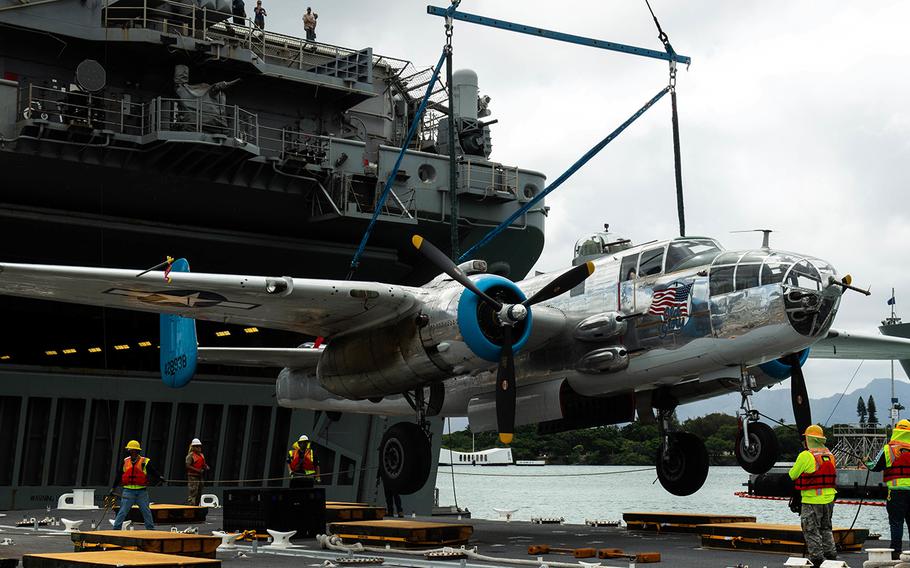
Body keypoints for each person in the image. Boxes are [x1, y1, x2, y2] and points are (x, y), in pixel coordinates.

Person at [789, 424, 837, 567]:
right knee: (826, 529)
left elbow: (793, 475)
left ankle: (817, 561)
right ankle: (831, 558)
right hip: (829, 500)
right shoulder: (830, 455)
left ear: (808, 439)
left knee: (811, 530)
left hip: (811, 500)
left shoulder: (806, 455)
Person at [866, 419, 910, 559]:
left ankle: (896, 551)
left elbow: (874, 466)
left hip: (896, 492)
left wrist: (866, 461)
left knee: (896, 522)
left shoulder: (889, 449)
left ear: (896, 431)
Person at [111, 440, 161, 530]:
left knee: (146, 511)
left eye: (134, 450)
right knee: (123, 511)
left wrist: (160, 477)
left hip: (142, 492)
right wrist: (113, 487)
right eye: (130, 450)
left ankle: (150, 530)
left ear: (137, 451)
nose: (132, 452)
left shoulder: (145, 461)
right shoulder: (125, 462)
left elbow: (153, 471)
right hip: (128, 491)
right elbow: (119, 475)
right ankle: (116, 529)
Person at [185, 438, 209, 506]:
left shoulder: (201, 455)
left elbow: (203, 464)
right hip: (192, 477)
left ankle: (196, 506)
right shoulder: (190, 456)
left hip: (200, 477)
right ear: (193, 447)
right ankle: (191, 506)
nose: (199, 448)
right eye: (197, 446)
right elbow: (187, 466)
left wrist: (206, 466)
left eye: (199, 446)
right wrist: (197, 470)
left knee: (199, 492)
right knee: (193, 492)